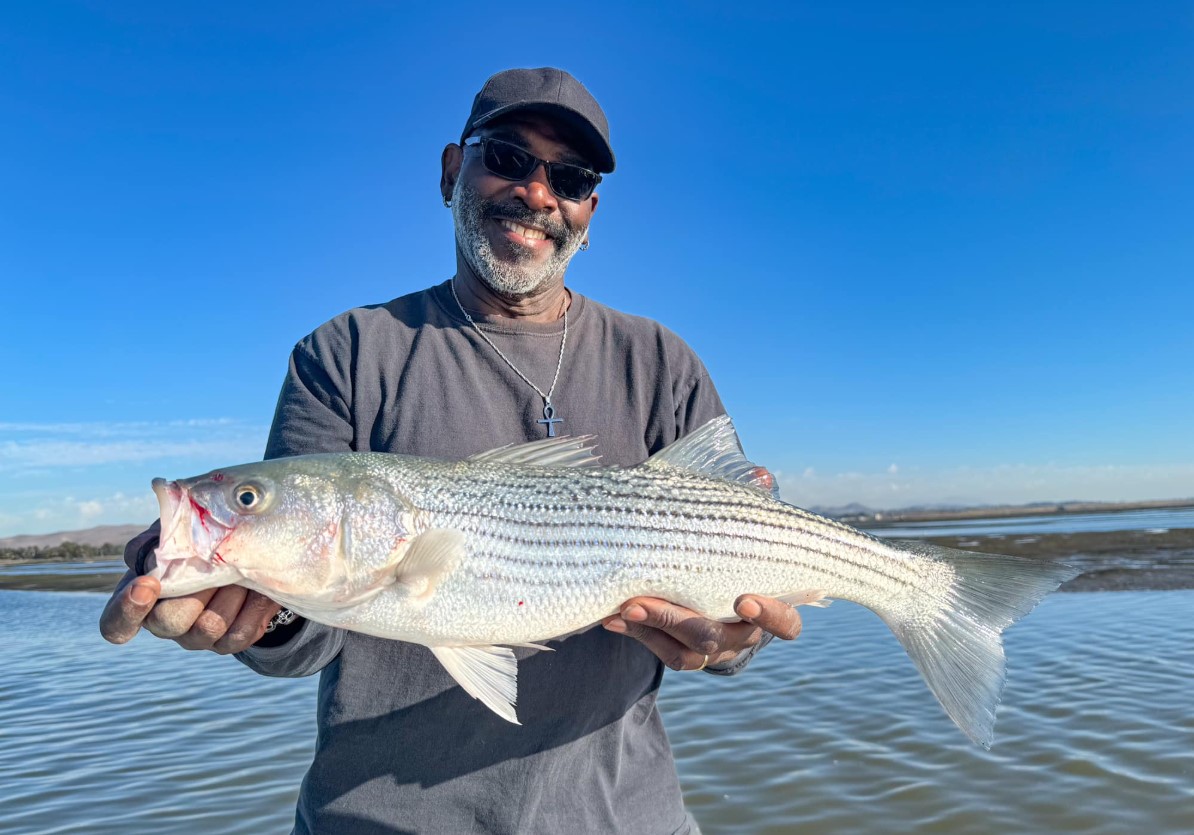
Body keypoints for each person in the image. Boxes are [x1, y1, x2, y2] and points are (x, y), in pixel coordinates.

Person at [100, 67, 802, 835]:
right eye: (506, 156)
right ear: (449, 171)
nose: (536, 194)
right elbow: (300, 638)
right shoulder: (344, 354)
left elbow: (738, 615)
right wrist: (257, 615)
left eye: (568, 178)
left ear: (589, 213)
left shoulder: (662, 360)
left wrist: (736, 639)